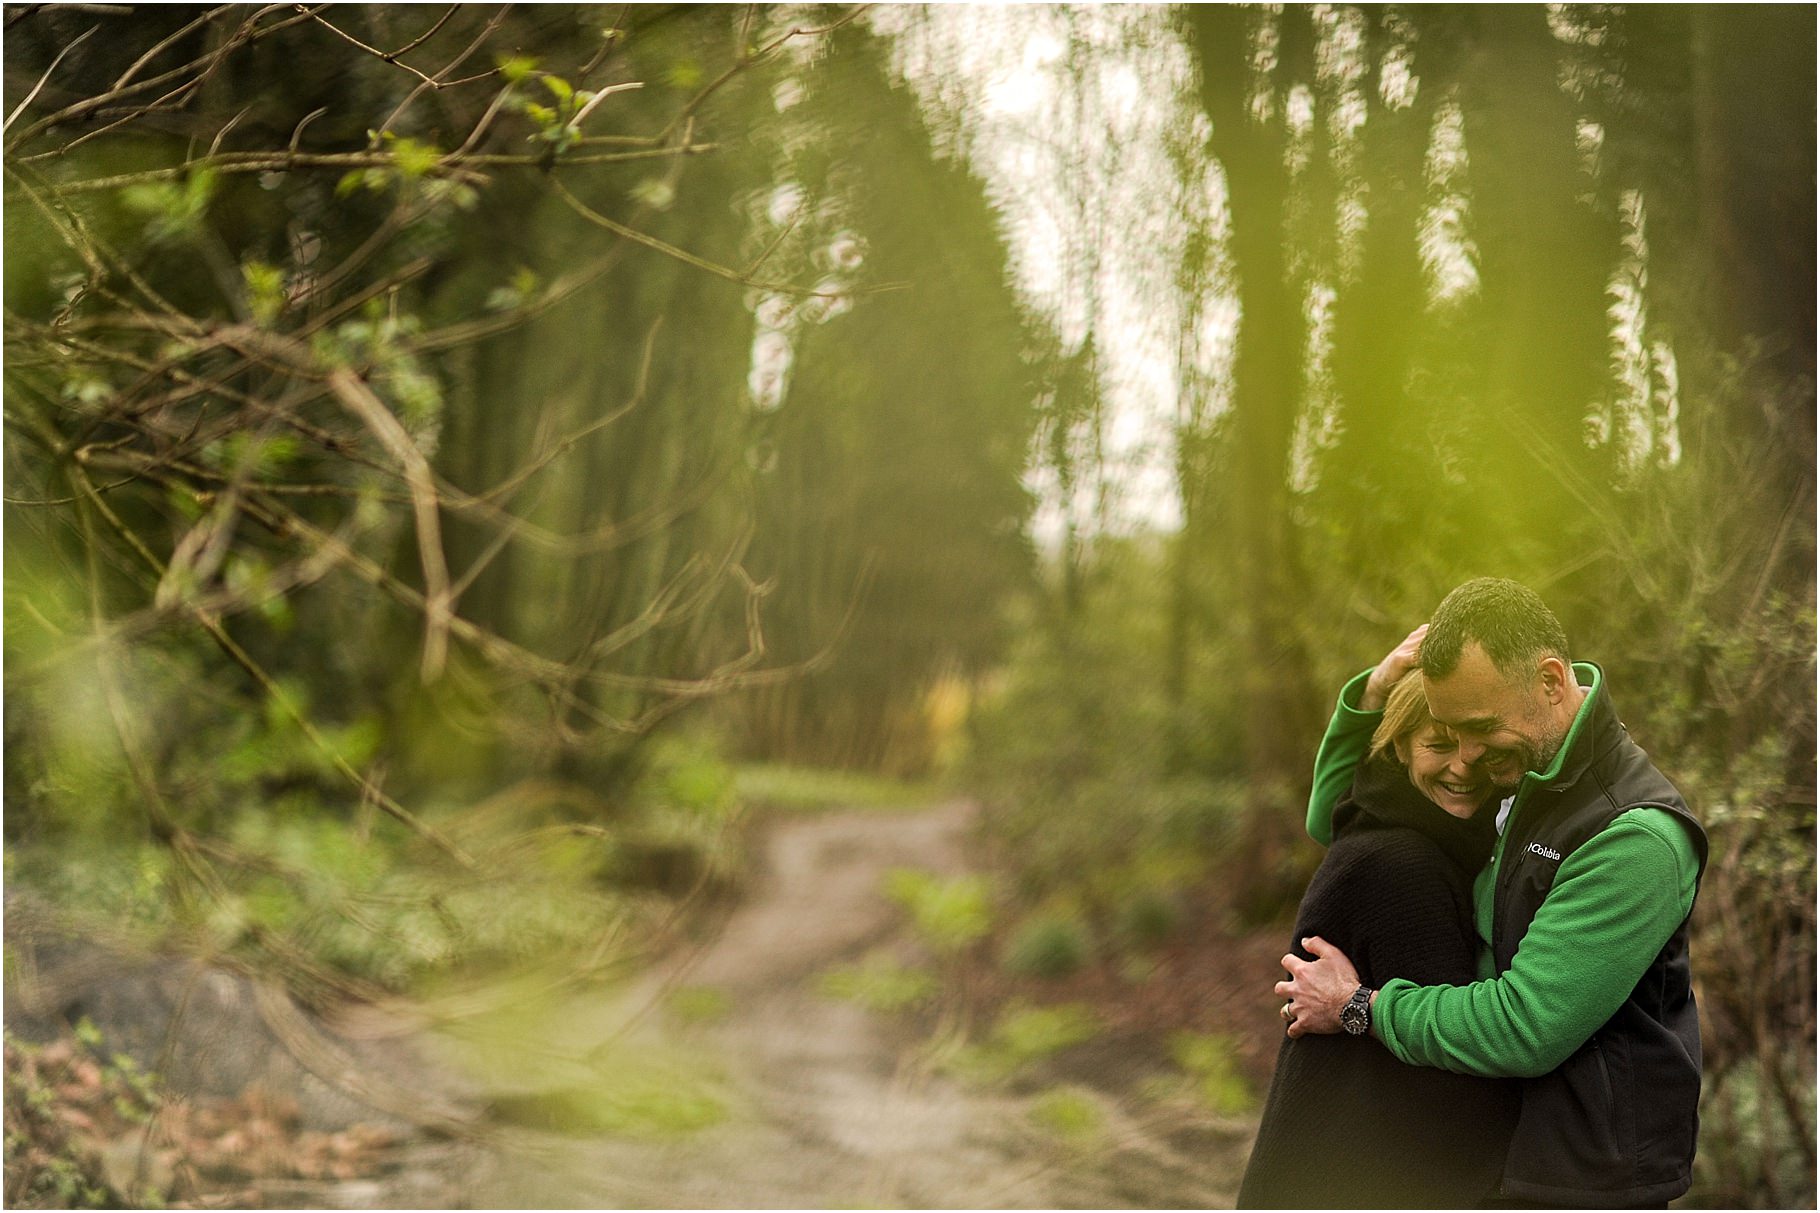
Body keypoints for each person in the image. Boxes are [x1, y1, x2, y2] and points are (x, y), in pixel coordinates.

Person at [1276, 578, 1707, 1208]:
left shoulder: (1636, 838)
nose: (1468, 758)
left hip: (1586, 1179)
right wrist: (1370, 699)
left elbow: (1526, 1026)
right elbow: (1343, 818)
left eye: (1478, 729)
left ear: (1552, 683)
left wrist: (1357, 1005)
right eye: (1448, 732)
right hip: (1513, 1155)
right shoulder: (1530, 766)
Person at [1237, 649, 1519, 1208]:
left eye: (1476, 750)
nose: (1462, 766)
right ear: (1397, 749)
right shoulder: (1404, 865)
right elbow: (1452, 1065)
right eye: (1437, 745)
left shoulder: (1388, 820)